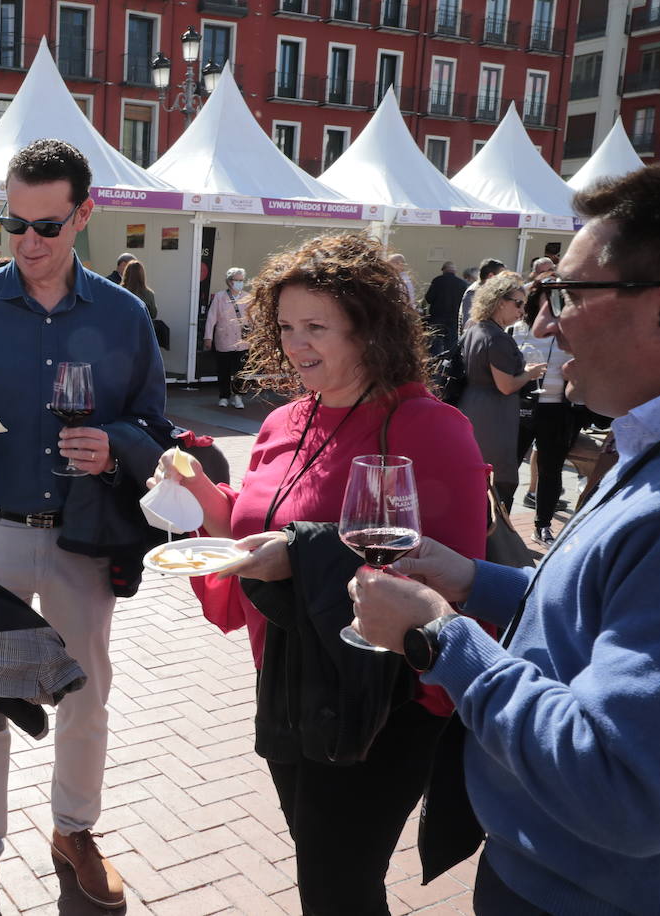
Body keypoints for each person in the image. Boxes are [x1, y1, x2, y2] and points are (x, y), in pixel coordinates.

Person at [349, 164, 660, 916]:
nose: (548, 324)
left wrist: (440, 638)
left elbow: (622, 787)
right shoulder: (646, 448)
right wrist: (474, 579)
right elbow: (601, 612)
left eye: (568, 295)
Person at [152, 233, 489, 916]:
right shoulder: (284, 420)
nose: (296, 343)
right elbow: (253, 534)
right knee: (325, 869)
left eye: (316, 327)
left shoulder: (431, 426)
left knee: (336, 885)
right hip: (287, 674)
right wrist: (198, 496)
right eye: (284, 326)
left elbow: (455, 583)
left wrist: (304, 553)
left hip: (385, 694)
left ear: (370, 329)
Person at [0, 139, 168, 914]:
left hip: (80, 538)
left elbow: (157, 428)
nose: (29, 241)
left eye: (47, 225)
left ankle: (74, 829)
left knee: (86, 694)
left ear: (84, 215)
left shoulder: (124, 314)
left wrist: (117, 445)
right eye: (14, 224)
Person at [456, 273, 549, 511]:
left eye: (524, 304)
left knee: (473, 476)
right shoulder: (497, 338)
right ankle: (491, 537)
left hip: (472, 407)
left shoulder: (475, 329)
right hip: (493, 415)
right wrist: (529, 373)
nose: (522, 310)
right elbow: (506, 385)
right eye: (518, 303)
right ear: (499, 301)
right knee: (495, 481)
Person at [511, 290, 575, 544]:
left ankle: (542, 526)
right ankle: (499, 520)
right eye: (548, 296)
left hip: (557, 408)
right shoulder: (518, 329)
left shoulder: (569, 330)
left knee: (551, 469)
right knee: (509, 466)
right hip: (523, 406)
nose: (554, 302)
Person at [202, 266, 251, 409]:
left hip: (242, 341)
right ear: (229, 281)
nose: (239, 283)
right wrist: (208, 337)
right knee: (223, 370)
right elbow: (211, 318)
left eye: (242, 280)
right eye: (237, 280)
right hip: (223, 339)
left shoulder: (247, 297)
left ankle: (238, 396)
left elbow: (253, 318)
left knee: (241, 370)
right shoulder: (219, 297)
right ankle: (224, 396)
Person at [423, 260, 469, 356]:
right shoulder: (462, 283)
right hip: (454, 317)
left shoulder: (437, 281)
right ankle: (448, 364)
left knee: (435, 342)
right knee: (451, 343)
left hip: (437, 316)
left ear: (443, 270)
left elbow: (429, 298)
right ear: (455, 271)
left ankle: (435, 363)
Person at [459, 257, 506, 337]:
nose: (504, 280)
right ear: (491, 276)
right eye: (502, 276)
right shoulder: (473, 293)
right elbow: (468, 327)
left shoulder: (490, 292)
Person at [119, 257, 157, 321]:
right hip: (141, 328)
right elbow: (153, 315)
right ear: (142, 275)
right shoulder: (149, 294)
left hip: (122, 327)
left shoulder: (119, 291)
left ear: (126, 273)